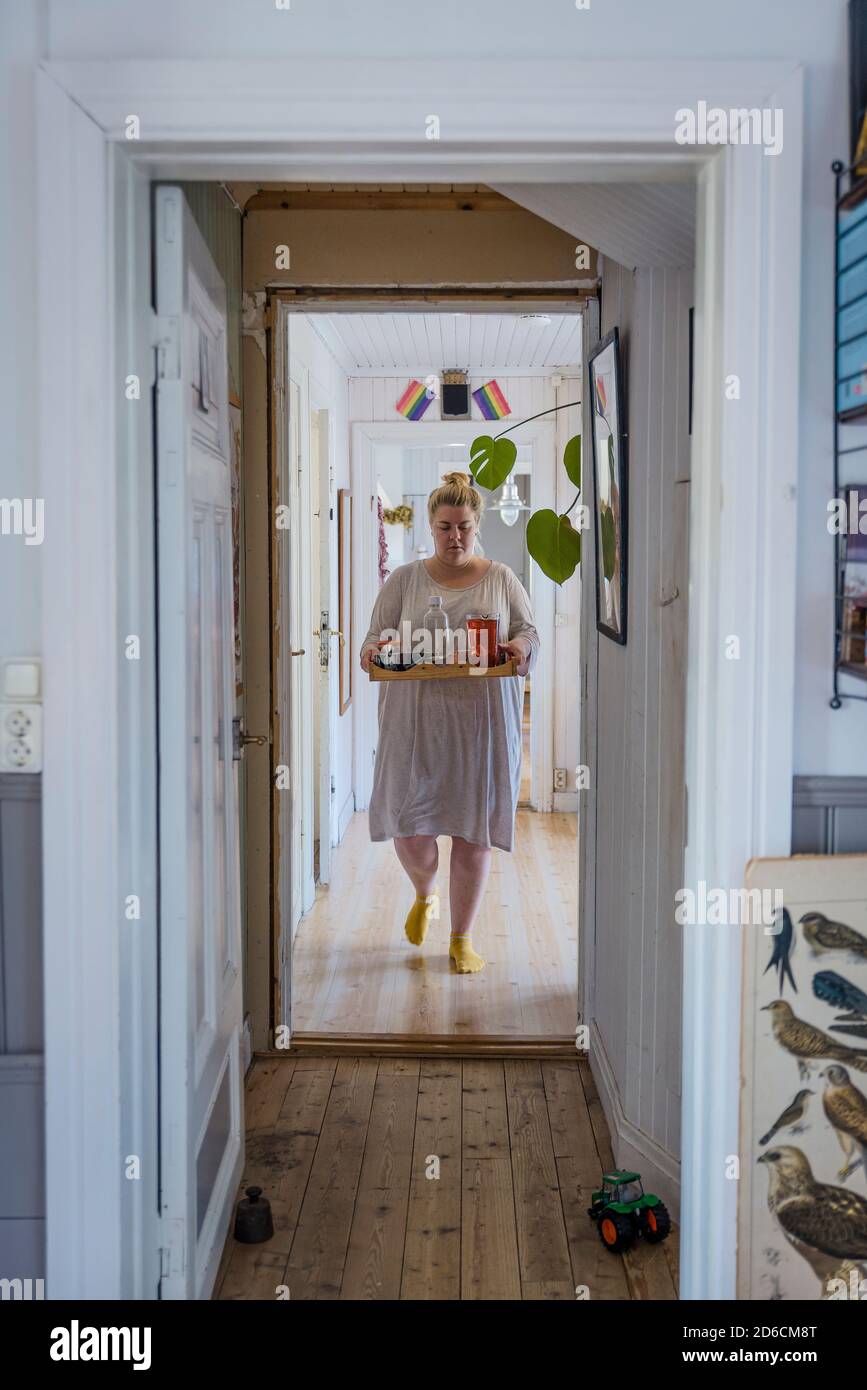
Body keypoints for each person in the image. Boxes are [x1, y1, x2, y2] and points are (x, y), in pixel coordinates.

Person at [359, 471, 539, 973]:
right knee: (410, 833)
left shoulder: (502, 578)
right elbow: (372, 640)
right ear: (431, 527)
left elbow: (529, 632)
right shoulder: (403, 579)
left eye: (463, 526)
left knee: (472, 833)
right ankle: (424, 892)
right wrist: (376, 650)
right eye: (444, 527)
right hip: (413, 726)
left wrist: (518, 647)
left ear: (477, 524)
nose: (454, 537)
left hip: (481, 728)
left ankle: (462, 937)